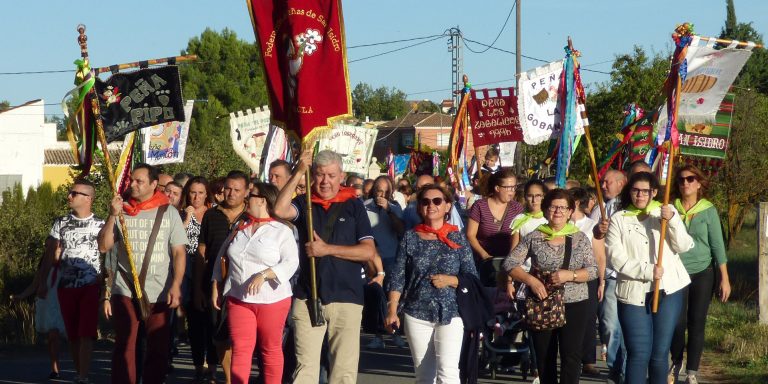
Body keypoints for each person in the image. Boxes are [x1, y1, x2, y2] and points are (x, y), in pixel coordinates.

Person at [274, 149, 375, 384]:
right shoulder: (304, 202)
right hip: (309, 296)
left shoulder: (354, 206)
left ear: (341, 176)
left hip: (347, 298)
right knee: (305, 371)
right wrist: (298, 170)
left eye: (331, 175)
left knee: (343, 371)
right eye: (319, 175)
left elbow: (368, 251)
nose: (325, 181)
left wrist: (327, 249)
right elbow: (279, 210)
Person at [98, 163, 188, 384]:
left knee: (158, 348)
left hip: (158, 291)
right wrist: (112, 216)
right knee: (125, 344)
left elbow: (178, 252)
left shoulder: (168, 212)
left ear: (154, 184)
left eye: (139, 181)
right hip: (125, 287)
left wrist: (176, 284)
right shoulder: (122, 210)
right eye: (131, 180)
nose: (133, 185)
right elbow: (103, 246)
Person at [605, 171, 694, 384]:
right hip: (633, 292)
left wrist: (671, 220)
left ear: (654, 192)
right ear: (629, 191)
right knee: (639, 353)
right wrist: (647, 270)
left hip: (669, 289)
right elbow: (615, 258)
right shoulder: (619, 219)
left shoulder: (665, 213)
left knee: (659, 353)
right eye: (636, 190)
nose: (640, 195)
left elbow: (684, 245)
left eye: (646, 191)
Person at [385, 184, 478, 384]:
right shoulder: (410, 237)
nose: (431, 205)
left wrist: (451, 280)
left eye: (437, 201)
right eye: (425, 201)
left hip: (451, 312)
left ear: (447, 206)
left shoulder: (458, 238)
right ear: (419, 207)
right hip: (416, 312)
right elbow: (398, 276)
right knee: (424, 376)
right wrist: (392, 309)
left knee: (448, 373)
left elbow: (471, 276)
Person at [503, 189, 597, 384]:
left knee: (571, 356)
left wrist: (569, 275)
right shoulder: (534, 236)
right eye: (553, 207)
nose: (558, 212)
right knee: (545, 357)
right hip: (543, 302)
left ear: (571, 211)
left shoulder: (579, 238)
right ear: (545, 209)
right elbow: (510, 263)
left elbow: (593, 270)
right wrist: (531, 281)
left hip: (574, 302)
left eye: (563, 207)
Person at [210, 182, 299, 384]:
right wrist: (216, 283)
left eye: (251, 195)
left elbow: (291, 262)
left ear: (262, 200)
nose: (246, 198)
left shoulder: (281, 231)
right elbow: (223, 256)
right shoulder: (241, 226)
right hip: (239, 298)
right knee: (240, 349)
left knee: (269, 349)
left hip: (272, 300)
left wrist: (266, 274)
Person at [36, 180, 105, 384]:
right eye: (69, 192)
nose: (69, 196)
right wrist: (42, 282)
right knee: (73, 334)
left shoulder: (100, 224)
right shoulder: (60, 222)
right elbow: (50, 254)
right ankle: (79, 373)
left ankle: (83, 376)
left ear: (88, 198)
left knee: (86, 333)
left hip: (90, 285)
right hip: (65, 286)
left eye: (74, 193)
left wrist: (107, 288)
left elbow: (108, 255)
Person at [668, 166, 731, 384]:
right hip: (676, 272)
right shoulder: (670, 208)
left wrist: (724, 278)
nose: (685, 183)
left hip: (703, 272)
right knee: (677, 321)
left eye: (690, 179)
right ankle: (675, 363)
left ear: (698, 183)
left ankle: (692, 372)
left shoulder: (708, 210)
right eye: (681, 180)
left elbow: (717, 246)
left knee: (697, 321)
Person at [196, 171, 251, 384]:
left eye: (237, 190)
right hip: (215, 285)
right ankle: (229, 379)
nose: (231, 193)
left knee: (240, 338)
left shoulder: (252, 215)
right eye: (228, 188)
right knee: (219, 335)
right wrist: (199, 289)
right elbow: (202, 252)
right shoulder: (211, 215)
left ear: (247, 192)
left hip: (243, 285)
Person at [591, 168, 627, 383]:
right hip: (611, 274)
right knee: (610, 325)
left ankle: (626, 370)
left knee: (630, 327)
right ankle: (615, 369)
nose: (603, 186)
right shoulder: (601, 208)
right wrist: (599, 230)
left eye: (607, 182)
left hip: (633, 275)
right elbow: (590, 233)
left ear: (621, 184)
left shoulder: (633, 207)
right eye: (602, 182)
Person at [178, 176, 215, 381]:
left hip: (210, 269)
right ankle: (198, 366)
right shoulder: (181, 214)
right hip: (188, 269)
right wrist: (186, 218)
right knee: (195, 322)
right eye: (193, 192)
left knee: (211, 321)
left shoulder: (213, 214)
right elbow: (177, 240)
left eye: (201, 192)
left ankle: (212, 366)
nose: (197, 196)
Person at [363, 175, 405, 349]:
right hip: (372, 258)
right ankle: (377, 335)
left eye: (385, 191)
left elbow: (401, 230)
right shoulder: (364, 207)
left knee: (392, 297)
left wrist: (389, 210)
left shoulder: (395, 208)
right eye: (378, 190)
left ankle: (394, 333)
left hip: (391, 256)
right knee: (375, 297)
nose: (381, 194)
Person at [568, 187, 605, 377]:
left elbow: (599, 256)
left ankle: (588, 360)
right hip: (565, 276)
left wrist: (601, 281)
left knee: (589, 319)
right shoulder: (560, 224)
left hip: (587, 276)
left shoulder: (591, 225)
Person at [466, 168, 524, 286]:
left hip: (508, 264)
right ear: (497, 188)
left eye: (514, 187)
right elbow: (470, 235)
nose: (512, 191)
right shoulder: (480, 206)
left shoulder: (517, 208)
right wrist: (485, 256)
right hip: (482, 263)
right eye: (509, 188)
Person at [11, 256, 66, 381]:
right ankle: (54, 368)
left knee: (55, 335)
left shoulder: (65, 265)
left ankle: (60, 367)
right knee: (51, 338)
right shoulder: (44, 268)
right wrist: (20, 296)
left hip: (60, 303)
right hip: (47, 303)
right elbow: (34, 285)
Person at [510, 179, 549, 249]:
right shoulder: (519, 219)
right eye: (530, 196)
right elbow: (513, 250)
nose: (534, 200)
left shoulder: (550, 218)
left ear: (543, 196)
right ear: (525, 197)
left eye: (538, 195)